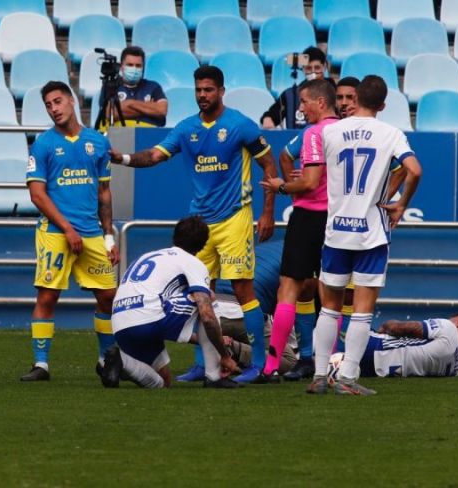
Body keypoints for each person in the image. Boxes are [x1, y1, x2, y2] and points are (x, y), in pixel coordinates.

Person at [109, 66, 279, 384]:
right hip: (201, 223)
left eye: (209, 90)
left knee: (243, 289)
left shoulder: (239, 124)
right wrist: (124, 159)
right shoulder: (187, 128)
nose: (203, 95)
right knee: (201, 294)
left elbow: (268, 163)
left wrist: (267, 211)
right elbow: (156, 155)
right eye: (198, 90)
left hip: (235, 218)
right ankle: (204, 364)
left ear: (221, 91)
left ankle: (260, 365)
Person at [307, 75, 423, 396]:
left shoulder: (330, 131)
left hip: (336, 231)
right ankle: (346, 377)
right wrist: (401, 204)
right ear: (383, 105)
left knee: (328, 307)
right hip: (370, 232)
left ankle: (319, 376)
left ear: (355, 98)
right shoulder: (391, 134)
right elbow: (414, 170)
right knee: (361, 309)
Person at [21, 81, 119, 381]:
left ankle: (105, 359)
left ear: (72, 101)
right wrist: (67, 229)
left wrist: (109, 236)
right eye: (48, 105)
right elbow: (37, 194)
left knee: (108, 297)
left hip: (91, 232)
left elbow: (104, 192)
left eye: (57, 102)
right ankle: (41, 365)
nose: (54, 109)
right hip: (55, 232)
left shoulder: (98, 142)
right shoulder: (43, 144)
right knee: (48, 297)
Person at [259, 79, 339, 381]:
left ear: (320, 102)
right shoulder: (346, 131)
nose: (301, 108)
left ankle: (271, 366)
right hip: (339, 218)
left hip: (310, 216)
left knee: (288, 289)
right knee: (332, 292)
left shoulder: (315, 133)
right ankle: (330, 363)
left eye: (304, 102)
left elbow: (309, 182)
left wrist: (283, 186)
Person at [101, 216, 240, 389]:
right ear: (203, 245)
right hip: (149, 321)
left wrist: (212, 338)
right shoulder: (193, 262)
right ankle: (214, 376)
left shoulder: (149, 255)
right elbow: (207, 317)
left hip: (121, 325)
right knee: (207, 297)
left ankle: (124, 362)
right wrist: (224, 354)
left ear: (174, 237)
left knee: (163, 383)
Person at [343, 313, 458, 378]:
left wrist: (387, 325)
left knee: (331, 316)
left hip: (375, 347)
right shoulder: (455, 370)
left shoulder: (449, 328)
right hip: (375, 371)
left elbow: (402, 328)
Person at [261, 46, 331, 130]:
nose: (313, 72)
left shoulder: (337, 93)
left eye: (317, 68)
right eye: (309, 68)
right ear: (303, 69)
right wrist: (268, 119)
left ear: (325, 67)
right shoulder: (290, 95)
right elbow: (272, 114)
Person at [104, 45, 168, 128]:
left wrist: (129, 103)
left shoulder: (154, 87)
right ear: (121, 66)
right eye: (130, 65)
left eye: (138, 66)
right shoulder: (111, 85)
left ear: (143, 67)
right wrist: (148, 108)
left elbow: (161, 111)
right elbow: (110, 113)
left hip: (148, 133)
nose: (134, 68)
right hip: (119, 134)